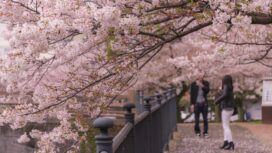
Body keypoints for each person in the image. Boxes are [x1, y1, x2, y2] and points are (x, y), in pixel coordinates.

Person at [215, 75, 235, 150]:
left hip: (226, 108)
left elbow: (225, 95)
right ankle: (225, 142)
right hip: (231, 108)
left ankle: (231, 143)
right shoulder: (230, 87)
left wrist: (217, 101)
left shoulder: (226, 86)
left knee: (225, 126)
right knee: (226, 126)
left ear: (224, 81)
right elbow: (225, 94)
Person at [190, 73, 210, 138]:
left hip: (204, 104)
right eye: (198, 76)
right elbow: (192, 95)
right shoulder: (193, 84)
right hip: (196, 104)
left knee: (205, 119)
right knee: (196, 120)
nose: (200, 77)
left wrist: (201, 85)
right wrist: (192, 104)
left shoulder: (206, 83)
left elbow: (207, 90)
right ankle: (197, 132)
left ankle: (205, 133)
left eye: (201, 76)